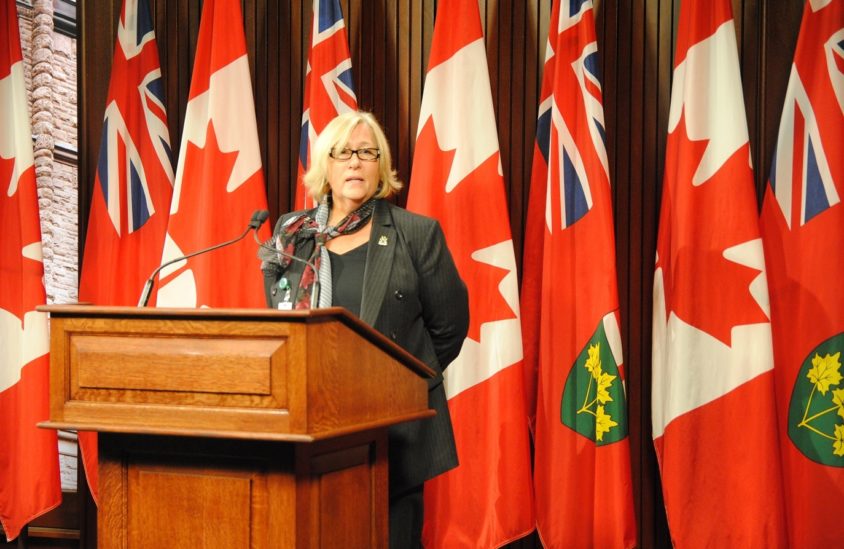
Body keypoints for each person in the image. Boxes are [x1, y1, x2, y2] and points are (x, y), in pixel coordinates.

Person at [259, 111, 469, 548]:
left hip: (392, 434)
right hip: (307, 427)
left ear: (380, 166)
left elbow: (448, 327)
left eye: (367, 153)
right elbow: (281, 324)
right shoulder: (290, 234)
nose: (355, 163)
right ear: (326, 165)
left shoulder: (416, 234)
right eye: (343, 153)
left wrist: (394, 379)